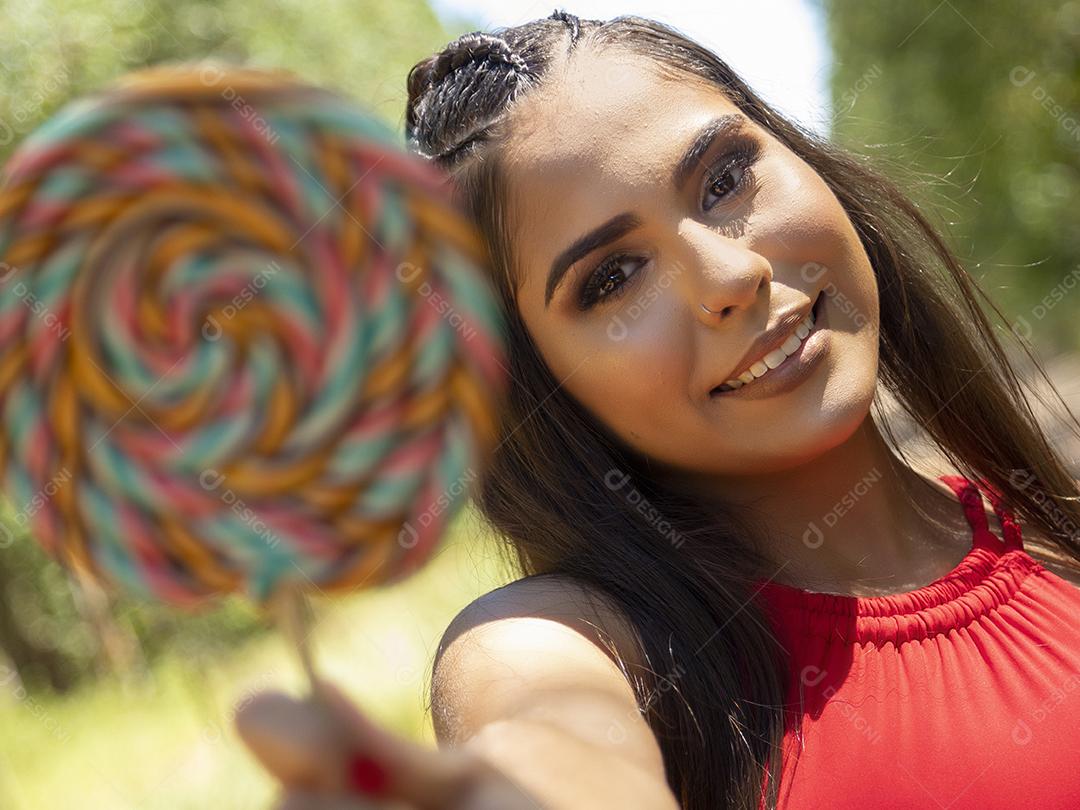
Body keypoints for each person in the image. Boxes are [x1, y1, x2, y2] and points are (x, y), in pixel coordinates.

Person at [234, 10, 1080, 809]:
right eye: (612, 279)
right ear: (537, 389)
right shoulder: (568, 644)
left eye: (724, 178)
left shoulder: (1052, 527)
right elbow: (550, 731)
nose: (730, 276)